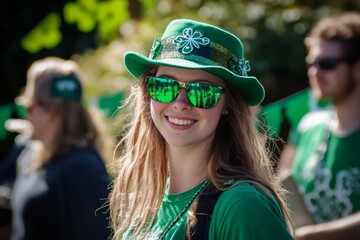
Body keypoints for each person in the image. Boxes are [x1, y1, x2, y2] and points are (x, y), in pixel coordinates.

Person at [109, 18, 294, 239]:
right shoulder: (143, 202)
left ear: (228, 105)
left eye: (202, 91)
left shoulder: (241, 206)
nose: (180, 103)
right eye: (165, 86)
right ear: (148, 92)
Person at [277, 12, 360, 239]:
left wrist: (310, 236)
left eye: (327, 64)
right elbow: (282, 182)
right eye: (311, 63)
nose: (315, 72)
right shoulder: (307, 126)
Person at [10, 57, 112, 240]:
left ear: (52, 111)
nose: (26, 116)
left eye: (29, 106)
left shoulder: (82, 167)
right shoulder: (28, 155)